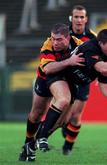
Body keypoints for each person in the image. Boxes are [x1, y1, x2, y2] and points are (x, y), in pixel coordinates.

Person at [36, 29, 107, 157]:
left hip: (74, 83)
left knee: (62, 121)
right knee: (63, 100)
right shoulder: (90, 47)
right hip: (59, 75)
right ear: (100, 43)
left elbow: (104, 83)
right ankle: (41, 138)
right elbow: (100, 67)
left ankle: (35, 140)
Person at [18, 23, 85, 162]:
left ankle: (31, 146)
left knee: (63, 121)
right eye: (53, 38)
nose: (54, 42)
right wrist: (70, 61)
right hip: (45, 79)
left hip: (66, 80)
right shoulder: (47, 45)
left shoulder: (79, 44)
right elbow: (48, 69)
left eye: (59, 39)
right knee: (36, 114)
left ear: (68, 38)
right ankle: (28, 142)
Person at [36, 5, 97, 153]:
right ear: (71, 18)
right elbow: (50, 57)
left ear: (86, 19)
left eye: (82, 17)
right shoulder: (63, 33)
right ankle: (41, 137)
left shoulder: (92, 37)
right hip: (63, 76)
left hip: (81, 79)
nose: (79, 20)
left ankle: (67, 148)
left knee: (74, 117)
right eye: (76, 17)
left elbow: (97, 59)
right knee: (61, 105)